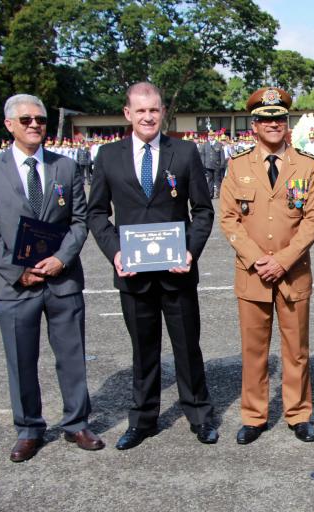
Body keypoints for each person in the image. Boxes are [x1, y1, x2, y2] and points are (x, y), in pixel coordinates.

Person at [0, 94, 104, 462]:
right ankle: (29, 428)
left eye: (41, 120)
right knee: (20, 359)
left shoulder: (65, 167)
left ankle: (77, 423)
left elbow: (80, 221)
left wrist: (62, 259)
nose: (35, 125)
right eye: (27, 119)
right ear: (9, 125)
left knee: (72, 356)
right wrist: (18, 271)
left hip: (62, 280)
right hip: (15, 284)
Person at [87, 82, 218, 449]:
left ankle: (199, 415)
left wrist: (191, 250)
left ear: (163, 112)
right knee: (143, 350)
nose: (148, 116)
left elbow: (203, 210)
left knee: (187, 347)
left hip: (177, 271)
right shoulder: (108, 156)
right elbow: (96, 212)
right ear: (128, 113)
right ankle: (143, 420)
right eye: (140, 110)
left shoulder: (185, 152)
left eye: (155, 109)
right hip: (133, 274)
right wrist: (115, 251)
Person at [219, 87, 314, 445]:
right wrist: (257, 259)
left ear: (287, 123)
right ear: (255, 125)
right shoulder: (237, 166)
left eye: (279, 118)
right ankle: (254, 415)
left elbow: (313, 219)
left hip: (293, 272)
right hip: (252, 275)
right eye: (266, 119)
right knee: (253, 350)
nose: (273, 124)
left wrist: (281, 261)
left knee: (296, 349)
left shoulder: (307, 167)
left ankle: (298, 413)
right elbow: (229, 219)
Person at [202, 131, 225, 198]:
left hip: (217, 165)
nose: (210, 137)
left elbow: (222, 155)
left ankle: (219, 193)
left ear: (214, 136)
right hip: (208, 165)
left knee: (217, 180)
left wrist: (222, 164)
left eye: (212, 136)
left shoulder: (219, 144)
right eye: (209, 136)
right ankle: (210, 194)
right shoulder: (205, 144)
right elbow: (203, 154)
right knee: (210, 180)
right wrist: (204, 163)